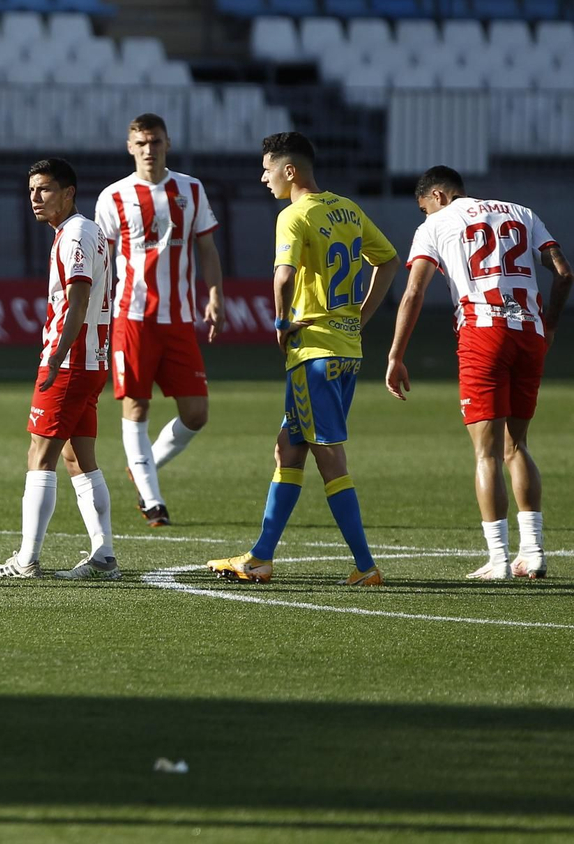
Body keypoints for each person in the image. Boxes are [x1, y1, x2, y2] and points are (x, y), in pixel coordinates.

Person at [208, 132, 400, 587]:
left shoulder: (293, 215)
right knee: (288, 446)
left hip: (313, 351)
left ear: (289, 170)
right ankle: (260, 557)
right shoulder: (347, 209)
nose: (263, 176)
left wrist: (280, 323)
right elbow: (390, 260)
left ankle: (364, 565)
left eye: (267, 168)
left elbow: (283, 277)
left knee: (328, 453)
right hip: (346, 350)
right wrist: (359, 316)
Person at [386, 166, 570, 580]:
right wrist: (551, 325)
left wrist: (396, 354)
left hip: (483, 329)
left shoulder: (438, 222)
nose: (424, 216)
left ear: (437, 195)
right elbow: (564, 272)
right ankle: (535, 552)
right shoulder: (523, 212)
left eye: (423, 208)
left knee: (486, 453)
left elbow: (414, 292)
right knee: (516, 445)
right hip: (529, 330)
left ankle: (499, 559)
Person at [0, 159, 121, 581]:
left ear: (69, 193)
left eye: (45, 189)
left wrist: (57, 358)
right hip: (90, 360)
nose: (35, 198)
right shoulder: (85, 232)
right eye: (31, 190)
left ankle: (27, 560)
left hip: (72, 362)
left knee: (39, 454)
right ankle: (103, 556)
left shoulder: (77, 233)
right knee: (78, 457)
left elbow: (79, 300)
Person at [95, 114, 225, 527]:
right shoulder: (113, 197)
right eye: (141, 142)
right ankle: (153, 501)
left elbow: (206, 246)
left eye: (155, 141)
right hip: (131, 317)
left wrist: (216, 293)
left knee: (196, 413)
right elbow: (102, 261)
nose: (149, 149)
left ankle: (142, 467)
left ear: (167, 143)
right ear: (129, 147)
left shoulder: (191, 188)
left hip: (179, 317)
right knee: (136, 404)